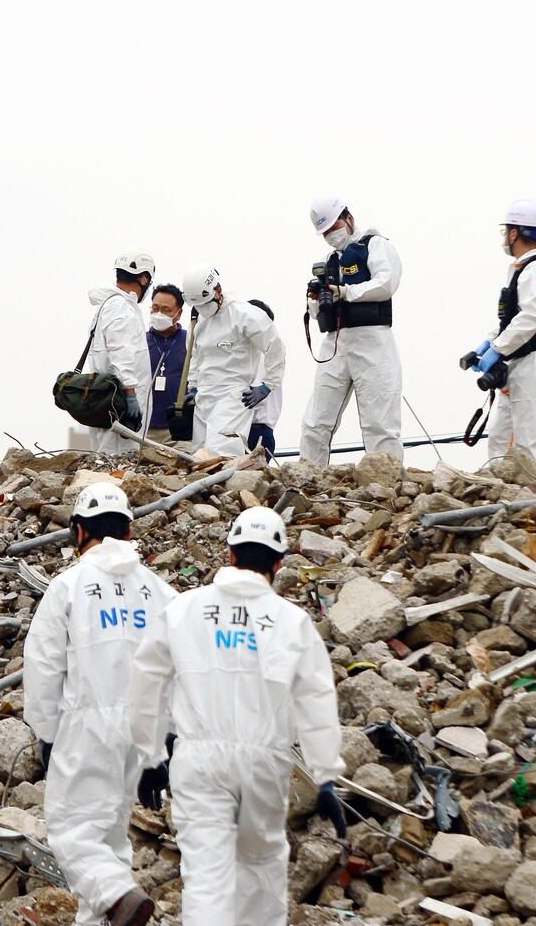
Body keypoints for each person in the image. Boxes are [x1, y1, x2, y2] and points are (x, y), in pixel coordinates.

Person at [129, 506, 347, 926]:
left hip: (200, 761)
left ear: (229, 554)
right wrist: (324, 776)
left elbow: (146, 683)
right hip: (265, 764)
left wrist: (150, 754)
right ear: (279, 563)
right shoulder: (292, 622)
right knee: (261, 873)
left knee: (207, 878)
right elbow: (317, 700)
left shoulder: (185, 609)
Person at [23, 482, 177, 926]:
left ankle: (119, 894)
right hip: (145, 729)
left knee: (72, 832)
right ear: (129, 532)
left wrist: (47, 733)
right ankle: (108, 909)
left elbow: (44, 665)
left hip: (89, 728)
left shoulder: (69, 587)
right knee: (109, 839)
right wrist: (164, 745)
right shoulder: (159, 592)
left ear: (78, 531)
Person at [300, 197, 404, 466]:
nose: (330, 235)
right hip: (336, 341)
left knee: (379, 421)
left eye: (333, 226)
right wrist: (316, 300)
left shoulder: (375, 245)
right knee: (316, 420)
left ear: (348, 218)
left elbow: (386, 282)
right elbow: (317, 310)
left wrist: (347, 292)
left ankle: (387, 481)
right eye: (324, 232)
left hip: (372, 339)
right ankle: (308, 476)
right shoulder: (329, 261)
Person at [461, 200, 536, 466]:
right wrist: (489, 343)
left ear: (515, 232)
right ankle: (499, 497)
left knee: (532, 444)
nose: (505, 237)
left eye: (506, 231)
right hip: (518, 363)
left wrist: (498, 349)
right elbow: (512, 319)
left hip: (535, 364)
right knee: (500, 438)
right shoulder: (522, 270)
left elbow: (531, 318)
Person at [181, 265, 285, 458]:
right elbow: (195, 355)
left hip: (233, 395)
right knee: (198, 456)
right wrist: (193, 386)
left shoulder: (245, 315)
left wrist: (267, 386)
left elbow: (275, 346)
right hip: (204, 396)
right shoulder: (200, 321)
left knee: (222, 453)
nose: (203, 309)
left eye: (205, 303)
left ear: (218, 290)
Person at [84, 251, 155, 455]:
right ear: (144, 278)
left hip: (108, 396)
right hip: (121, 401)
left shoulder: (109, 305)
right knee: (120, 457)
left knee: (105, 455)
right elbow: (121, 353)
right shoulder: (121, 308)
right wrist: (131, 394)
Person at [145, 282, 188, 445]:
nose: (159, 313)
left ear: (178, 313)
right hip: (144, 428)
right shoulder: (140, 341)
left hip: (179, 430)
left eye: (166, 310)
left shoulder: (189, 340)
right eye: (155, 308)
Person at [245, 300, 285, 458]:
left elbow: (247, 394)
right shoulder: (249, 352)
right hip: (248, 429)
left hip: (257, 430)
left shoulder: (265, 354)